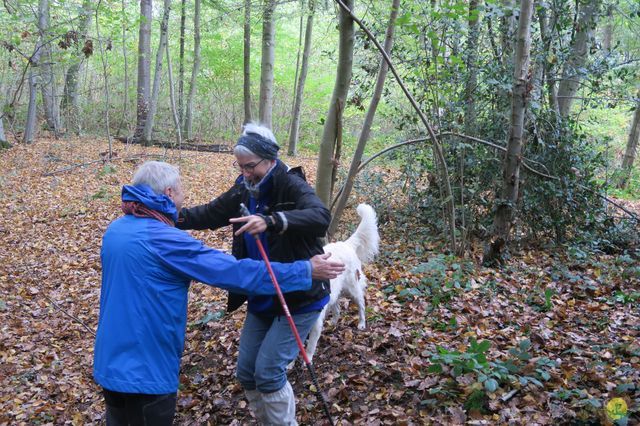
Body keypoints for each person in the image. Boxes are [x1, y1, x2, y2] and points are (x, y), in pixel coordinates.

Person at [93, 161, 344, 426]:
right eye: (181, 190)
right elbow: (235, 274)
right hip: (146, 371)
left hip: (110, 365)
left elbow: (208, 215)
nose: (184, 194)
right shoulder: (166, 241)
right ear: (168, 193)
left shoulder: (116, 230)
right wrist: (304, 270)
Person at [177, 123, 332, 425]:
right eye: (240, 167)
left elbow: (320, 217)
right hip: (263, 294)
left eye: (250, 166)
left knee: (269, 372)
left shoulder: (290, 184)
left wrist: (272, 221)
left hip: (299, 296)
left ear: (270, 159)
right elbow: (210, 213)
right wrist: (169, 217)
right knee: (247, 372)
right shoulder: (243, 188)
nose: (245, 173)